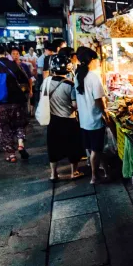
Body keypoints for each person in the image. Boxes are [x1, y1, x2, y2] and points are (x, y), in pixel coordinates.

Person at [0, 43, 30, 162]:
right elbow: (24, 79)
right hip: (18, 101)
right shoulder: (13, 64)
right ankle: (20, 144)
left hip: (0, 104)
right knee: (20, 123)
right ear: (5, 53)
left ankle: (11, 155)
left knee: (4, 128)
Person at [43, 54, 85, 182]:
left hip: (52, 120)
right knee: (73, 146)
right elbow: (74, 105)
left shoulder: (46, 83)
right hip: (68, 120)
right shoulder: (70, 85)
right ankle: (74, 172)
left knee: (53, 146)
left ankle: (53, 174)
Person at [75, 48, 109, 184]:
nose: (97, 62)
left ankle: (106, 172)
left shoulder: (78, 75)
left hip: (84, 119)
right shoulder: (93, 77)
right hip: (95, 119)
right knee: (96, 149)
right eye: (96, 59)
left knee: (96, 148)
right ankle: (94, 177)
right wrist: (105, 112)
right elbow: (98, 99)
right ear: (92, 60)